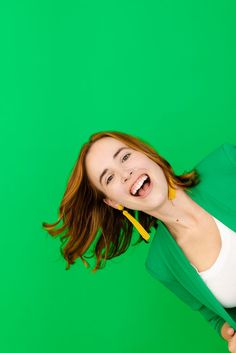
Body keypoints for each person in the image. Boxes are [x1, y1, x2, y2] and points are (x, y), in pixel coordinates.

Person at [42, 131, 236, 352]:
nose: (125, 174)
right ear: (113, 202)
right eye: (109, 178)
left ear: (146, 154)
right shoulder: (161, 264)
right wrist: (226, 331)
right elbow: (209, 313)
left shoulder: (227, 164)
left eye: (124, 157)